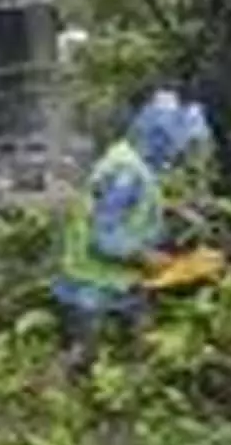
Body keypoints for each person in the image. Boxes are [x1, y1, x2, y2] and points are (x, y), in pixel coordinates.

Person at [52, 89, 212, 377]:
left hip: (113, 281)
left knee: (132, 354)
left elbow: (130, 207)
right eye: (178, 145)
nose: (177, 155)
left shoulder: (132, 163)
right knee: (91, 364)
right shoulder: (126, 172)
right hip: (95, 282)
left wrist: (174, 210)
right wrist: (149, 257)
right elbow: (105, 236)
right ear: (160, 137)